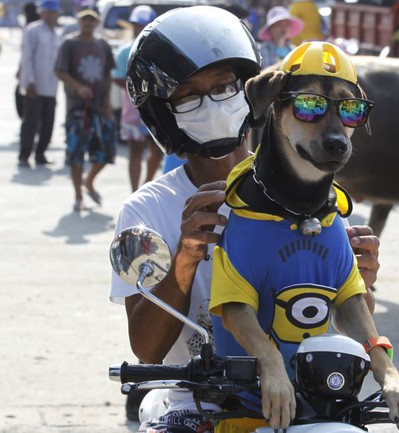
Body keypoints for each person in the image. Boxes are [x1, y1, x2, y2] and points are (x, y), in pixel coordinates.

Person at [109, 6, 381, 431]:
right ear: (164, 110)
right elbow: (146, 350)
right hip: (196, 402)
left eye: (223, 87)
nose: (213, 103)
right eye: (189, 94)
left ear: (252, 91)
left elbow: (343, 322)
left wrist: (364, 281)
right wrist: (185, 256)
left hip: (308, 400)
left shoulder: (314, 194)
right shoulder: (148, 210)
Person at [208, 42, 399, 433]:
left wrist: (388, 372)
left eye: (349, 110)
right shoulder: (246, 217)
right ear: (273, 106)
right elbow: (234, 308)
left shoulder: (331, 221)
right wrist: (270, 362)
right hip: (244, 408)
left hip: (322, 403)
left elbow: (350, 301)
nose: (335, 132)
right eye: (309, 107)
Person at [54, 7, 116, 212]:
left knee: (105, 152)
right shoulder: (69, 44)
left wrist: (107, 102)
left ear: (97, 23)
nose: (88, 23)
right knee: (76, 154)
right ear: (79, 22)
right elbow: (59, 70)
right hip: (78, 110)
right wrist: (78, 87)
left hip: (99, 108)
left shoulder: (103, 44)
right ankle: (78, 196)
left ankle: (88, 181)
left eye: (92, 20)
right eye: (84, 20)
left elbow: (107, 74)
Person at [112, 5, 162, 191]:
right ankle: (134, 192)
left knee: (157, 150)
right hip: (132, 110)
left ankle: (146, 185)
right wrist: (136, 87)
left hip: (155, 109)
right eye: (135, 24)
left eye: (142, 24)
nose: (137, 28)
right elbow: (117, 78)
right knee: (135, 151)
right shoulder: (125, 51)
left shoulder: (159, 52)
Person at [17, 0, 60, 168]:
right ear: (42, 12)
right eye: (47, 11)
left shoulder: (57, 33)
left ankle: (41, 154)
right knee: (30, 123)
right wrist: (29, 82)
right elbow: (27, 58)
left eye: (53, 12)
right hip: (35, 86)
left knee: (48, 123)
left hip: (51, 86)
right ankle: (24, 155)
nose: (50, 15)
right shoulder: (33, 30)